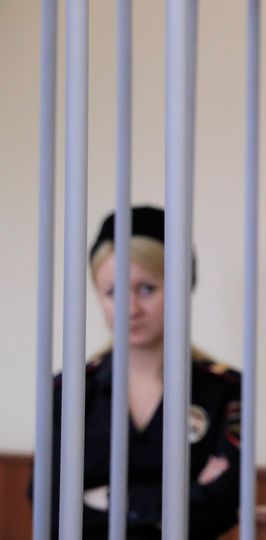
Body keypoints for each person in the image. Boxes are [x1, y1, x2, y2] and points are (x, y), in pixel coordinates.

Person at [41, 206, 241, 539]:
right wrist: (180, 498)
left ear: (181, 287)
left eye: (147, 288)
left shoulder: (224, 389)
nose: (130, 308)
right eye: (113, 292)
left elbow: (222, 504)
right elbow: (50, 506)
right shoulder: (69, 391)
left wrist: (103, 498)